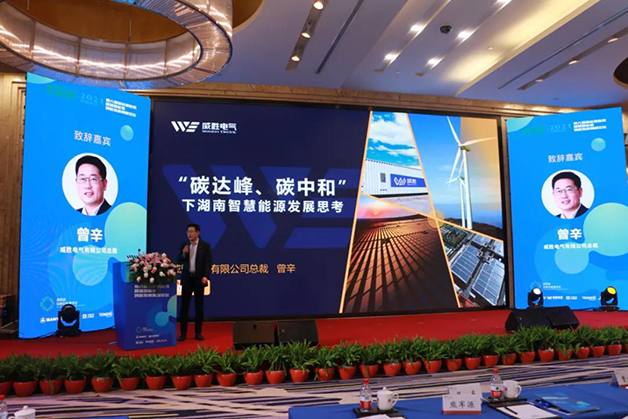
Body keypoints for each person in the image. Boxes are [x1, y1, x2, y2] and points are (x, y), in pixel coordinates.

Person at [177, 223, 212, 341]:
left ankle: (198, 332)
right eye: (188, 232)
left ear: (198, 233)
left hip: (199, 279)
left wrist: (205, 276)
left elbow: (208, 263)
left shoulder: (205, 246)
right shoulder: (184, 245)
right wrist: (184, 254)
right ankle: (183, 333)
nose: (190, 234)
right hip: (187, 279)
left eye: (192, 231)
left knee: (199, 307)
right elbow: (179, 260)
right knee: (184, 307)